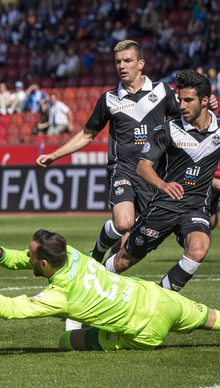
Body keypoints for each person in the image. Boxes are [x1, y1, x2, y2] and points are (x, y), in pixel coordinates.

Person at [36, 40, 216, 266]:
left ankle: (102, 273)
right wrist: (55, 155)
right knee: (123, 223)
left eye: (127, 61)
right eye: (117, 62)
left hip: (153, 175)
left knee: (125, 250)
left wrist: (207, 106)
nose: (122, 66)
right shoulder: (108, 99)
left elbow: (187, 117)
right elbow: (87, 134)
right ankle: (95, 255)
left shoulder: (162, 92)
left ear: (141, 63)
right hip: (124, 170)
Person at [0, 220, 220, 351]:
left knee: (66, 340)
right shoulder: (71, 252)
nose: (26, 256)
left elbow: (8, 309)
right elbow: (24, 259)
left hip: (144, 332)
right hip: (161, 298)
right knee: (213, 319)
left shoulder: (59, 296)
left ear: (43, 264)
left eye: (30, 255)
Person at [103, 69, 220, 293]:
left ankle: (161, 302)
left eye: (188, 100)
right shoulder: (167, 130)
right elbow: (142, 166)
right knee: (123, 261)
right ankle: (88, 286)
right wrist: (163, 185)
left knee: (198, 248)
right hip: (162, 207)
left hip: (195, 208)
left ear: (205, 101)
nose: (182, 105)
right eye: (179, 100)